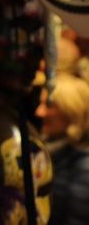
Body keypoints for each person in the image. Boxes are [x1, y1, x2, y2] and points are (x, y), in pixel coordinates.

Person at [36, 73, 89, 225]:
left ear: (73, 111)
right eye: (41, 104)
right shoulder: (51, 151)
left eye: (49, 105)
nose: (39, 112)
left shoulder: (84, 167)